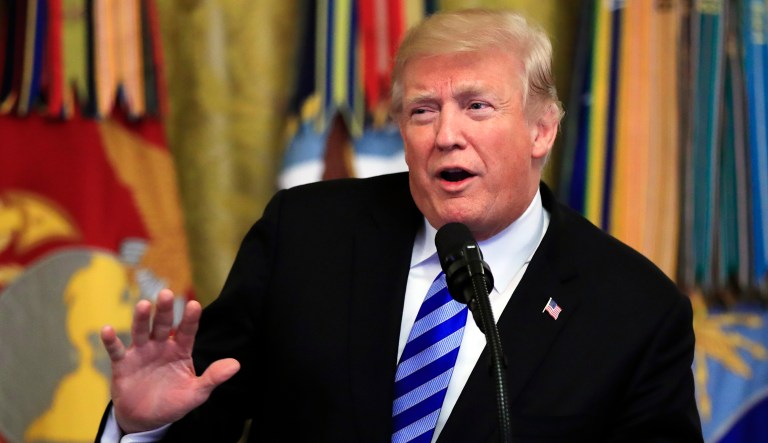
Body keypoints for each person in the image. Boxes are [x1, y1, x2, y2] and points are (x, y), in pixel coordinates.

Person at [95, 8, 703, 442]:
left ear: (542, 129)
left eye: (476, 106)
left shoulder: (636, 312)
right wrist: (145, 427)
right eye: (422, 110)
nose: (445, 135)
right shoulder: (305, 237)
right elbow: (204, 409)